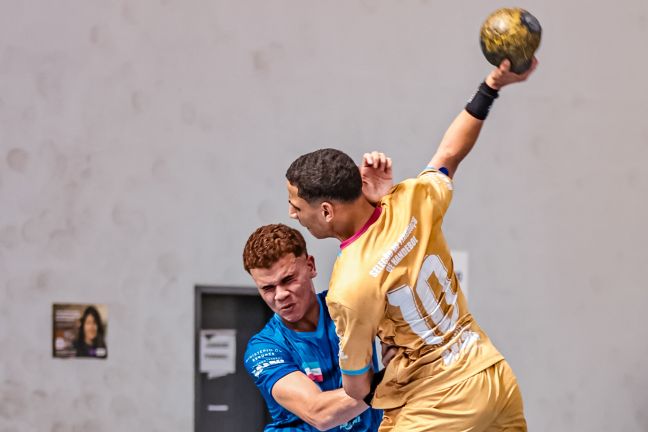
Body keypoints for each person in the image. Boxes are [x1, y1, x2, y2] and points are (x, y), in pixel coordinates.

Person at [284, 59, 538, 431]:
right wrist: (492, 84)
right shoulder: (411, 199)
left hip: (437, 404)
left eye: (296, 205)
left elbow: (357, 389)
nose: (292, 213)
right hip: (492, 376)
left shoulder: (349, 286)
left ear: (325, 211)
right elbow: (450, 154)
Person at [243, 220, 398, 431]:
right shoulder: (264, 348)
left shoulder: (349, 307)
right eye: (268, 288)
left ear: (310, 266)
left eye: (288, 280)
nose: (280, 295)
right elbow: (320, 414)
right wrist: (391, 378)